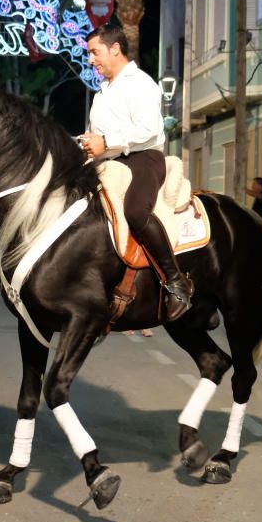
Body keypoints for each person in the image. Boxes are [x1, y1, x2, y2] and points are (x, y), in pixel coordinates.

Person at [79, 24, 193, 321]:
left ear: (115, 49)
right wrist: (88, 143)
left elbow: (149, 130)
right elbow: (99, 136)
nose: (91, 59)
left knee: (135, 212)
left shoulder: (140, 83)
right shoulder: (102, 92)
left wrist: (106, 141)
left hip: (143, 158)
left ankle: (175, 282)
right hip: (109, 160)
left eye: (95, 52)